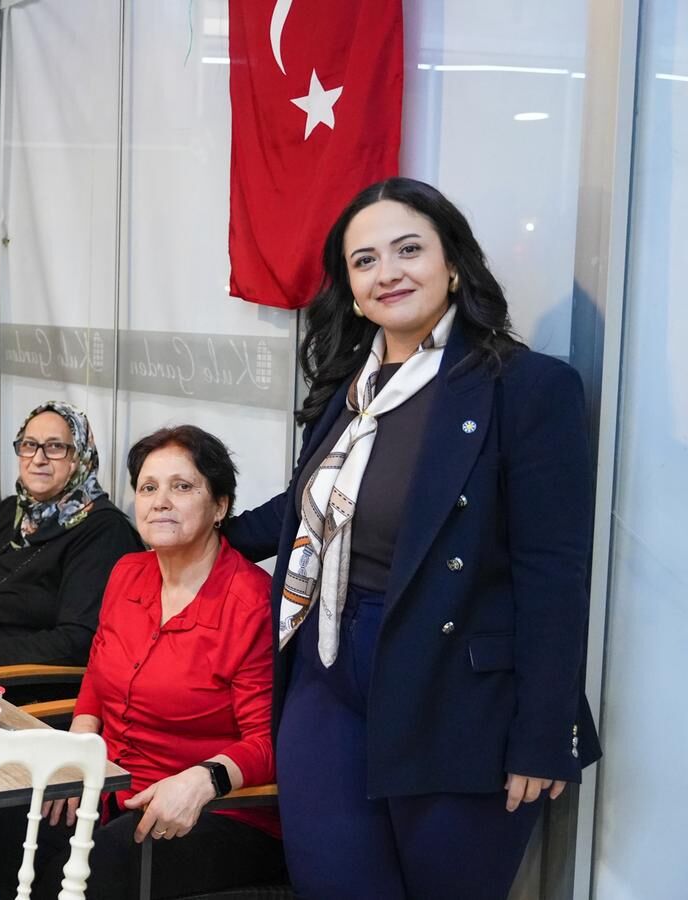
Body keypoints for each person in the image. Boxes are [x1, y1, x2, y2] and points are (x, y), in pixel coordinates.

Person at [226, 177, 601, 899]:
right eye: (365, 260)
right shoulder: (351, 388)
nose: (388, 272)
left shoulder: (526, 387)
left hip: (458, 693)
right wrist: (203, 535)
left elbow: (554, 574)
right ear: (351, 289)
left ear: (452, 263)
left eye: (408, 250)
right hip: (327, 668)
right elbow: (312, 507)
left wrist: (543, 734)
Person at [0, 426, 285, 899]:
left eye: (181, 487)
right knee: (5, 826)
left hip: (213, 808)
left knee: (89, 869)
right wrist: (77, 754)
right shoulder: (128, 573)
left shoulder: (249, 603)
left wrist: (203, 780)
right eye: (148, 488)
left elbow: (268, 741)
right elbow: (97, 678)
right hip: (113, 787)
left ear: (220, 506)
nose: (160, 501)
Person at [0, 402, 142, 670]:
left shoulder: (103, 530)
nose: (38, 459)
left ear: (78, 457)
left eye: (55, 447)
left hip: (13, 678)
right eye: (29, 445)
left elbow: (77, 642)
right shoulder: (13, 510)